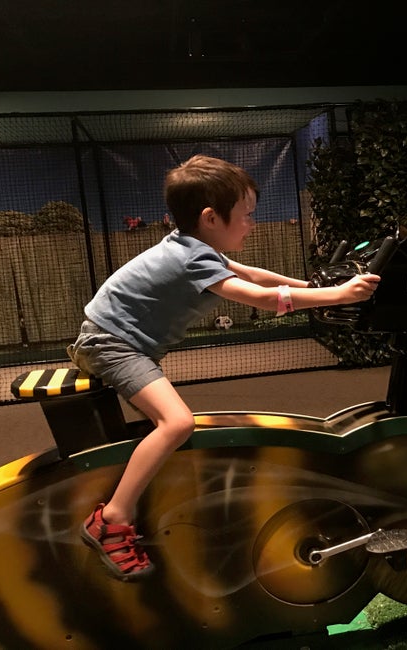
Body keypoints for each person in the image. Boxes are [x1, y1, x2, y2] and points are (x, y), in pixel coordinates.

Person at [68, 154, 379, 580]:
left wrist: (311, 287)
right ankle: (109, 521)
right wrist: (339, 295)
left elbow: (256, 276)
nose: (252, 223)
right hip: (110, 344)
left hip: (117, 340)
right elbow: (263, 299)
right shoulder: (193, 259)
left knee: (171, 425)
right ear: (211, 218)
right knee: (177, 423)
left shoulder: (194, 246)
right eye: (246, 215)